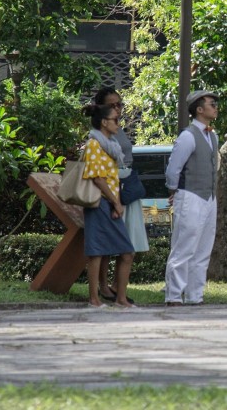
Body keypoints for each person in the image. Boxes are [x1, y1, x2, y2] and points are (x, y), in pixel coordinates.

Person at [92, 87, 150, 304]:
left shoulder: (118, 128)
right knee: (109, 243)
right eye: (112, 105)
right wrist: (114, 198)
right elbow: (98, 171)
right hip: (112, 188)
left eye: (120, 104)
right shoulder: (99, 133)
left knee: (128, 244)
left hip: (126, 185)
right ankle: (103, 287)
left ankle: (117, 288)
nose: (118, 109)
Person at [163, 90, 219, 306]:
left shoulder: (212, 136)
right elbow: (173, 168)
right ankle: (174, 296)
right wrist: (173, 190)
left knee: (203, 250)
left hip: (209, 197)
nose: (216, 107)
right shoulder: (188, 135)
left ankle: (195, 296)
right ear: (199, 109)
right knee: (184, 247)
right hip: (190, 195)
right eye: (212, 103)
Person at [81, 103, 136, 308]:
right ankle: (95, 299)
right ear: (104, 122)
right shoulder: (94, 144)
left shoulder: (109, 144)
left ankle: (119, 298)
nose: (118, 124)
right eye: (115, 119)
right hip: (99, 202)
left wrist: (115, 203)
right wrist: (116, 202)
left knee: (123, 252)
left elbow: (110, 179)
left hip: (109, 202)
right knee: (99, 252)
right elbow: (97, 178)